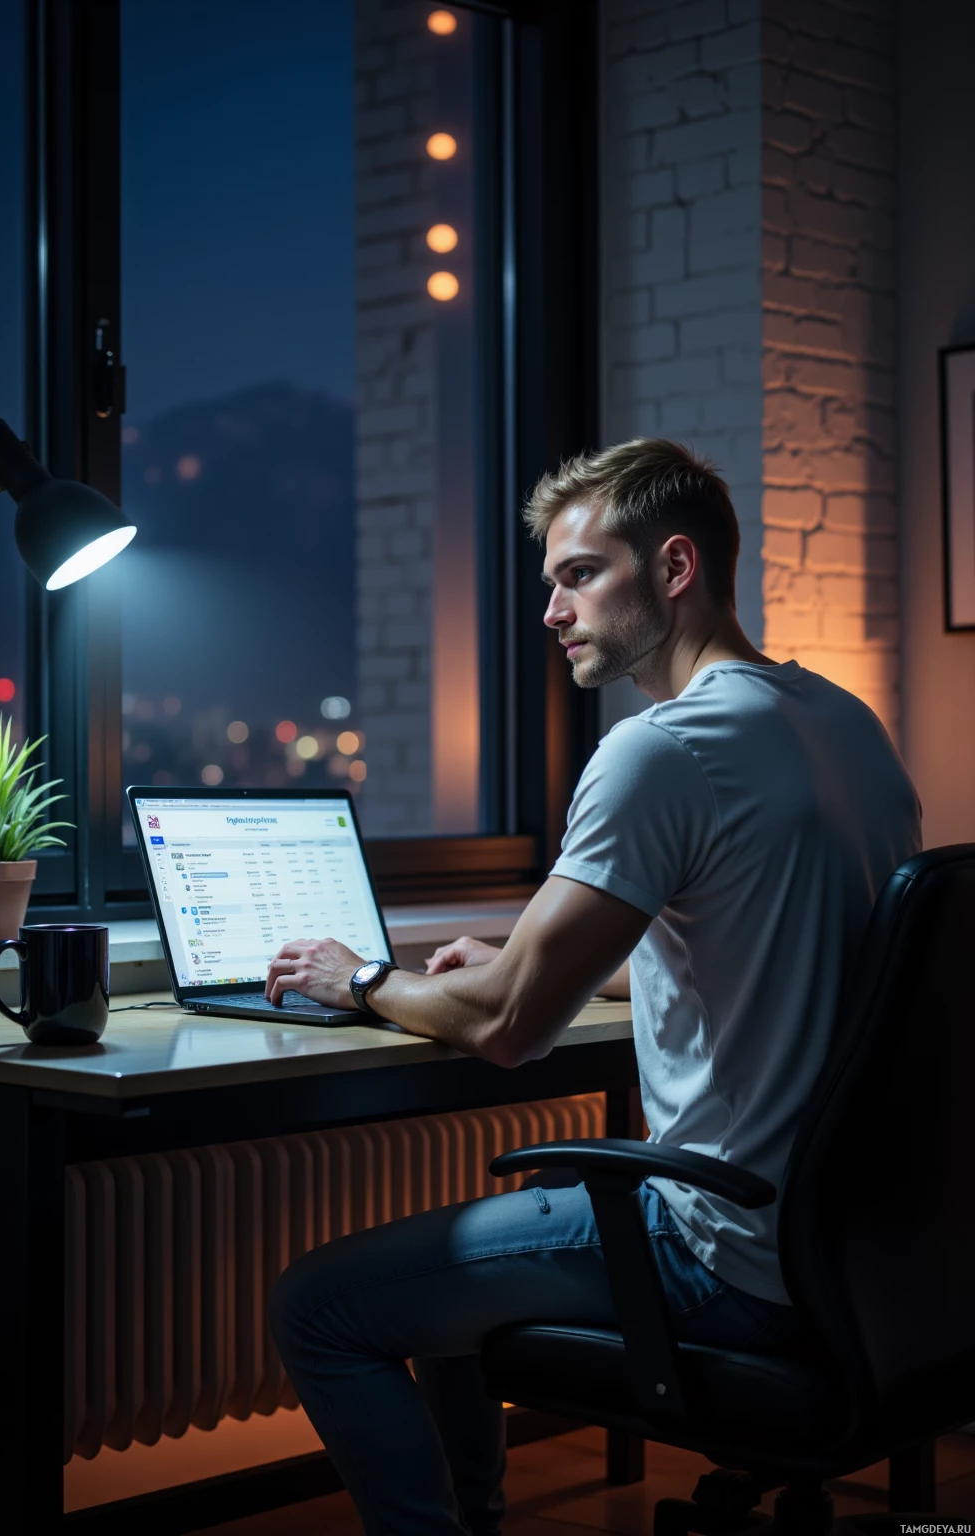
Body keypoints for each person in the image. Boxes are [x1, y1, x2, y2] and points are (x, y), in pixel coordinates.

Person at [266, 438, 922, 1536]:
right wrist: (558, 971)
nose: (552, 611)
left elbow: (510, 1033)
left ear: (673, 568)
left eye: (580, 576)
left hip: (724, 1255)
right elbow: (770, 938)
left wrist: (362, 977)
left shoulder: (658, 748)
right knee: (441, 1272)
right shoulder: (843, 725)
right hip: (859, 1254)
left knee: (319, 1305)